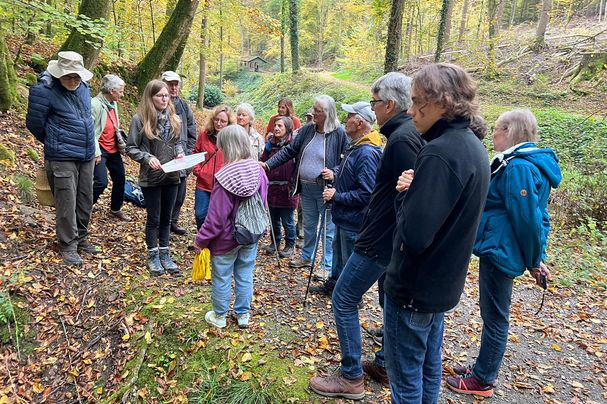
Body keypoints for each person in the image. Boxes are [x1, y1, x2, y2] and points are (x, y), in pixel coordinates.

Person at [309, 73, 423, 400]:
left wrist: (390, 237)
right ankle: (385, 364)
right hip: (387, 239)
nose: (373, 109)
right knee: (388, 299)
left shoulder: (401, 140)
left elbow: (404, 197)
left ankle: (351, 376)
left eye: (374, 103)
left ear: (389, 104)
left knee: (344, 297)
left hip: (380, 240)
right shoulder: (402, 135)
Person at [383, 63, 490, 403]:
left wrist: (404, 194)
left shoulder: (440, 152)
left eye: (417, 102)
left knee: (406, 382)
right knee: (428, 369)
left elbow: (415, 236)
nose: (411, 111)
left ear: (443, 102)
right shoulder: (472, 146)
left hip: (415, 289)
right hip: (439, 287)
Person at [445, 109, 561, 397]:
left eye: (497, 129)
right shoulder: (521, 163)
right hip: (499, 246)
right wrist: (537, 258)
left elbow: (528, 220)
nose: (493, 134)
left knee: (495, 316)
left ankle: (483, 379)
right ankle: (482, 368)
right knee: (493, 313)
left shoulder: (519, 167)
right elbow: (536, 216)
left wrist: (535, 260)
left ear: (509, 131)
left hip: (501, 250)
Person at [26, 51, 99, 266]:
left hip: (86, 154)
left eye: (77, 76)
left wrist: (93, 148)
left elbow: (87, 118)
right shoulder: (43, 91)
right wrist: (55, 141)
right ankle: (68, 245)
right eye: (69, 76)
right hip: (61, 156)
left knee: (85, 200)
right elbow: (35, 124)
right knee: (67, 202)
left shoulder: (84, 87)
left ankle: (81, 238)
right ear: (59, 73)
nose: (74, 80)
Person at [262, 95, 348, 274]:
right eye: (313, 109)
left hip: (326, 189)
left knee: (327, 228)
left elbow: (347, 159)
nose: (313, 112)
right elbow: (290, 150)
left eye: (317, 110)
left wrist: (335, 172)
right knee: (309, 224)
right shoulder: (308, 130)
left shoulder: (338, 133)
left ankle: (327, 265)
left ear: (328, 113)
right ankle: (307, 257)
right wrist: (268, 164)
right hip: (305, 187)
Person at [195, 125, 268, 329]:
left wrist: (201, 240)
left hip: (227, 239)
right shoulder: (258, 170)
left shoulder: (224, 176)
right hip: (251, 234)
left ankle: (219, 316)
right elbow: (263, 204)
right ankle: (243, 314)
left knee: (222, 276)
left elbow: (216, 218)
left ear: (226, 147)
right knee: (245, 273)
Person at [311, 101, 382, 297]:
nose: (345, 119)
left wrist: (337, 196)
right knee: (339, 257)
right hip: (344, 216)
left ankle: (348, 297)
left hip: (354, 220)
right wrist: (334, 173)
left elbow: (367, 193)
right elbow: (348, 174)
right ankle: (334, 286)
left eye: (350, 116)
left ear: (360, 123)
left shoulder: (367, 152)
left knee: (348, 260)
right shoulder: (356, 147)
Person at [126, 80, 184, 276]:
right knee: (154, 218)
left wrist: (181, 154)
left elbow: (177, 144)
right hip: (151, 177)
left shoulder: (175, 119)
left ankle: (165, 253)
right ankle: (153, 255)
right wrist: (147, 157)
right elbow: (131, 147)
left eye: (167, 95)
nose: (165, 99)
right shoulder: (140, 119)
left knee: (167, 218)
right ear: (150, 98)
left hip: (172, 175)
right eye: (160, 96)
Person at [161, 71, 198, 235]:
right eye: (170, 84)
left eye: (176, 84)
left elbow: (192, 132)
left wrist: (188, 153)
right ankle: (163, 225)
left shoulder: (183, 106)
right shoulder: (158, 104)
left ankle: (173, 222)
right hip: (163, 158)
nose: (173, 87)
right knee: (164, 195)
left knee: (180, 195)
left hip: (182, 158)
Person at [260, 116, 299, 258]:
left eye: (280, 126)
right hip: (272, 188)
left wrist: (294, 186)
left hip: (287, 190)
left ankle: (290, 245)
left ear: (288, 129)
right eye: (275, 125)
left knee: (287, 220)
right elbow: (263, 162)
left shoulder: (293, 146)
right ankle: (274, 243)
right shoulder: (269, 145)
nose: (276, 128)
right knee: (273, 218)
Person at [92, 74, 129, 221]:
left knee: (120, 179)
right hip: (100, 149)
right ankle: (85, 207)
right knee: (101, 182)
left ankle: (115, 209)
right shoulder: (94, 104)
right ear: (112, 91)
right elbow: (90, 131)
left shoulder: (113, 104)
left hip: (113, 149)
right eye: (120, 91)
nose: (122, 94)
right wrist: (96, 152)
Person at [192, 105, 235, 230]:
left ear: (229, 123)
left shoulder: (231, 138)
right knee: (200, 215)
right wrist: (198, 170)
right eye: (217, 119)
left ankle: (215, 243)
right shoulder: (204, 134)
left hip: (222, 185)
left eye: (223, 121)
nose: (219, 123)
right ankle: (203, 242)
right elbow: (196, 152)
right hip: (203, 183)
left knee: (219, 216)